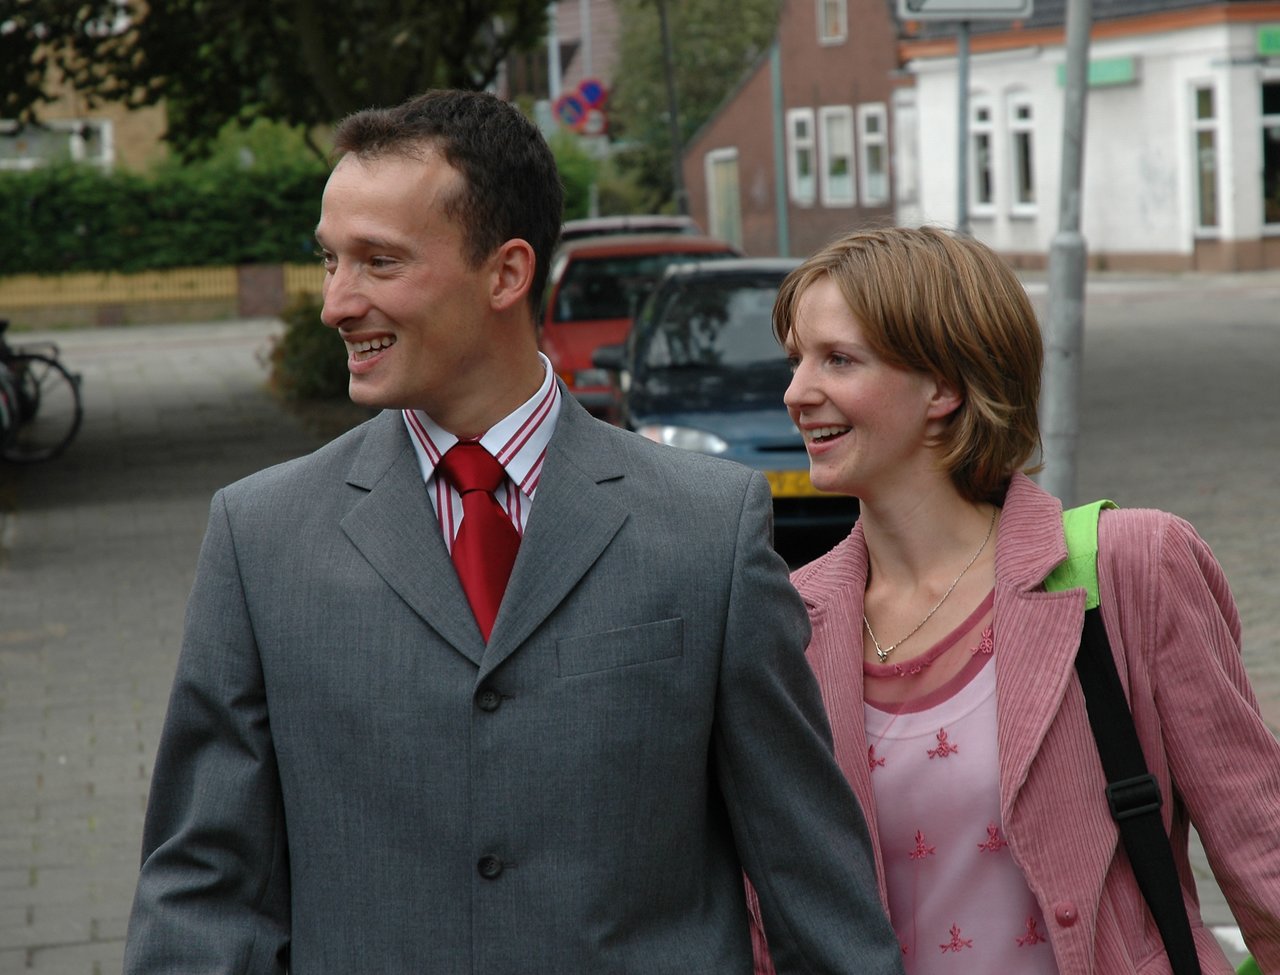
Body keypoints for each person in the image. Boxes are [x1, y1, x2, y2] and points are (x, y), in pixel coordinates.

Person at [122, 89, 903, 974]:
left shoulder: (707, 527)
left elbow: (811, 881)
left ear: (506, 273)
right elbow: (202, 896)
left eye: (378, 262)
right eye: (330, 260)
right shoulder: (259, 538)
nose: (336, 302)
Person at [748, 225, 1280, 974]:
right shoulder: (785, 624)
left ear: (944, 387)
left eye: (838, 359)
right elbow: (766, 923)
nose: (796, 393)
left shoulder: (1131, 567)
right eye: (796, 359)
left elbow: (1263, 855)